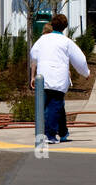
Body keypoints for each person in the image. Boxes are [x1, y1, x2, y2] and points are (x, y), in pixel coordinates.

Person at [29, 13, 90, 144]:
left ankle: (63, 132)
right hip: (58, 78)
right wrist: (86, 73)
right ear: (65, 27)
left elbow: (33, 54)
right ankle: (49, 135)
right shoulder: (66, 42)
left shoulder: (42, 39)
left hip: (43, 77)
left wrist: (35, 72)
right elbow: (80, 59)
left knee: (57, 106)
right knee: (54, 106)